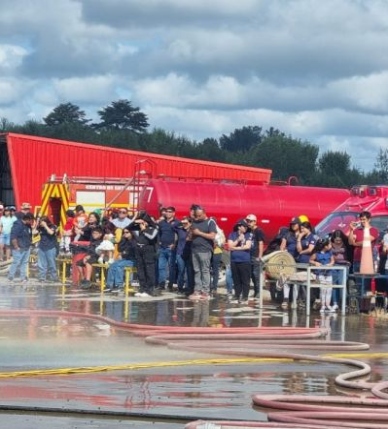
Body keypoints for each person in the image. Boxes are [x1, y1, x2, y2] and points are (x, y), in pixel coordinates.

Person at [189, 206, 217, 300]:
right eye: (196, 215)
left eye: (199, 215)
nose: (197, 217)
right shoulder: (195, 222)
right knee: (197, 271)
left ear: (204, 213)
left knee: (205, 270)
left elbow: (212, 236)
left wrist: (199, 233)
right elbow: (190, 237)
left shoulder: (210, 222)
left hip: (205, 250)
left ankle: (205, 291)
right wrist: (191, 232)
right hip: (195, 250)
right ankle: (197, 290)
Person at [133, 212, 159, 298]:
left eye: (142, 222)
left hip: (149, 252)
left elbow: (151, 237)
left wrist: (144, 230)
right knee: (140, 270)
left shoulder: (154, 228)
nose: (140, 224)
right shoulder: (137, 229)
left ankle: (150, 289)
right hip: (139, 252)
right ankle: (142, 288)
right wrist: (135, 219)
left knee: (149, 271)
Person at [227, 219, 253, 304]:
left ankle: (245, 296)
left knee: (245, 279)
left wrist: (235, 248)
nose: (245, 228)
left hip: (244, 260)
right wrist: (238, 240)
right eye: (244, 226)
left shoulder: (248, 234)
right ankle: (237, 295)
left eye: (246, 226)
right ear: (239, 227)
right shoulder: (232, 235)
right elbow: (229, 246)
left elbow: (247, 246)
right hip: (234, 260)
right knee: (236, 279)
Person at [105, 228, 137, 293]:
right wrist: (122, 240)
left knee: (119, 265)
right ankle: (110, 285)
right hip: (126, 259)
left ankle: (119, 285)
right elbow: (120, 249)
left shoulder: (135, 240)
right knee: (112, 264)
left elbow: (132, 250)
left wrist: (125, 251)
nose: (125, 234)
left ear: (131, 233)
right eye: (124, 233)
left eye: (127, 232)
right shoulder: (125, 240)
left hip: (133, 260)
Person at [8, 212, 35, 285]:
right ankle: (11, 277)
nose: (32, 222)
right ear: (27, 219)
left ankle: (23, 278)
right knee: (16, 262)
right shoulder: (18, 225)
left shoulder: (28, 226)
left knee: (24, 263)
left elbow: (29, 235)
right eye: (31, 220)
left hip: (26, 246)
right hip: (18, 247)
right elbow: (13, 236)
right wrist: (16, 247)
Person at [157, 206, 179, 291]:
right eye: (167, 211)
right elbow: (158, 233)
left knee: (171, 267)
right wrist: (159, 242)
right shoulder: (162, 223)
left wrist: (175, 244)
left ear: (173, 213)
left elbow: (180, 234)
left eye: (170, 212)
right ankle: (161, 284)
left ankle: (170, 284)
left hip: (171, 249)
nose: (168, 213)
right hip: (162, 248)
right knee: (161, 267)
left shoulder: (177, 223)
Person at [310, 237, 335, 313]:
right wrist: (315, 263)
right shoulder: (316, 254)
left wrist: (330, 264)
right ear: (325, 246)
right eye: (329, 244)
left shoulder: (329, 253)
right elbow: (311, 260)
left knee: (329, 289)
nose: (330, 245)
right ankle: (323, 305)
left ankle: (328, 305)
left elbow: (333, 260)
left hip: (329, 272)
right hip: (320, 272)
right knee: (323, 289)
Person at [330, 229, 351, 310]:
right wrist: (336, 250)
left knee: (342, 283)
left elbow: (350, 251)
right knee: (334, 284)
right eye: (336, 240)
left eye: (339, 240)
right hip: (334, 265)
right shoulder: (330, 244)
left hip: (344, 265)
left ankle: (344, 303)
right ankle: (335, 303)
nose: (338, 241)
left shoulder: (346, 244)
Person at [34, 216, 60, 283]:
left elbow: (51, 233)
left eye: (42, 222)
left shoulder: (52, 226)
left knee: (51, 263)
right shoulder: (40, 227)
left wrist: (45, 226)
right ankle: (42, 277)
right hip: (42, 247)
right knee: (42, 264)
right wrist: (37, 224)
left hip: (50, 247)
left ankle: (53, 277)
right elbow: (34, 232)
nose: (41, 224)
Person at [245, 213, 264, 299]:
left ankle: (259, 292)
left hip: (255, 255)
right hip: (248, 255)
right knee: (251, 275)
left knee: (256, 274)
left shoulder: (258, 231)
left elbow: (260, 243)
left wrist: (259, 256)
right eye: (248, 221)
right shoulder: (248, 231)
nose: (249, 223)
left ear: (255, 222)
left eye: (250, 221)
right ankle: (255, 291)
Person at [210, 217, 226, 296]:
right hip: (211, 251)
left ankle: (214, 287)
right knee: (209, 270)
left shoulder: (219, 231)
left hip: (216, 251)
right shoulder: (217, 230)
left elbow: (223, 242)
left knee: (215, 270)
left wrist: (218, 243)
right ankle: (210, 287)